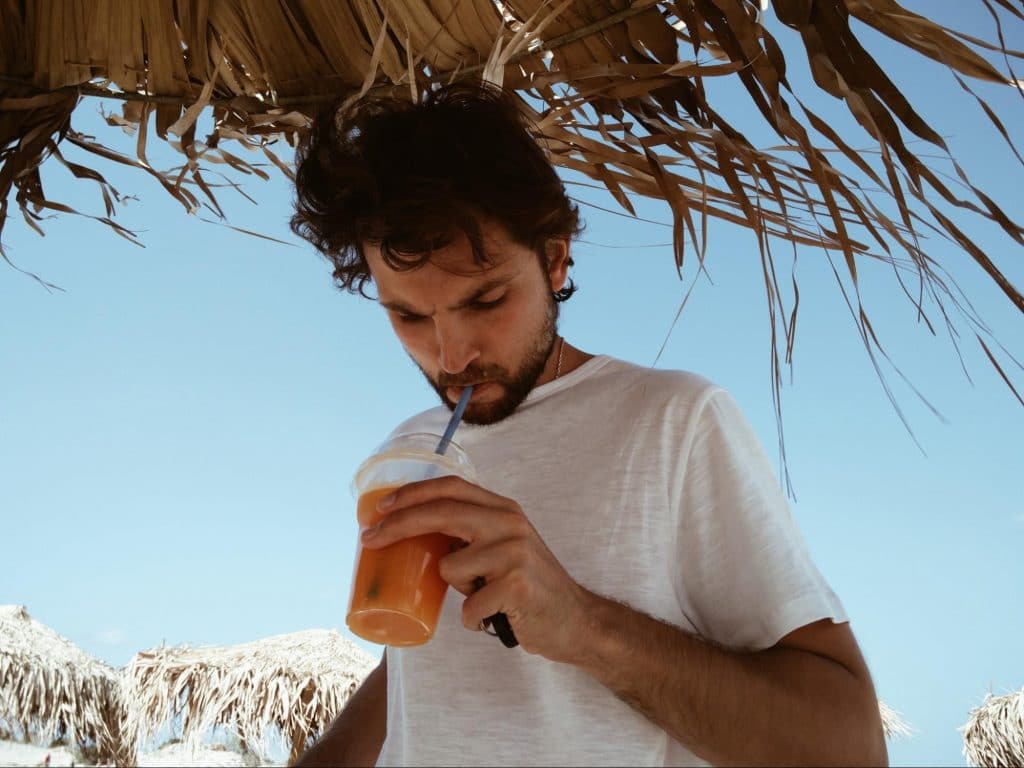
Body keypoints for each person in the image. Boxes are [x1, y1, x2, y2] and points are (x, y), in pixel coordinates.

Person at [289, 81, 888, 767]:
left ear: (555, 257)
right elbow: (420, 675)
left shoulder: (676, 424)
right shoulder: (409, 449)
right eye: (409, 316)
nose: (451, 356)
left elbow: (852, 748)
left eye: (484, 299)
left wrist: (582, 626)